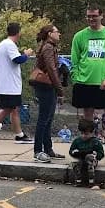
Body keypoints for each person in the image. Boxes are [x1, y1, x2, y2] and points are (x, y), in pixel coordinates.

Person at [71, 5, 105, 157]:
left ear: (101, 16)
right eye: (88, 16)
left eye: (94, 16)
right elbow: (74, 60)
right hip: (84, 82)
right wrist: (76, 78)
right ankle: (90, 143)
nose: (91, 19)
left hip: (104, 82)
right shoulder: (79, 36)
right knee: (88, 112)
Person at [0, 23, 35, 145]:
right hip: (9, 85)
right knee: (7, 109)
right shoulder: (9, 45)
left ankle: (19, 135)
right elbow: (17, 60)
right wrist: (26, 54)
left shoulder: (1, 45)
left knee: (14, 109)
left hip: (7, 84)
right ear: (18, 32)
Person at [29, 25, 65, 162]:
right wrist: (60, 89)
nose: (59, 34)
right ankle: (38, 151)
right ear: (50, 34)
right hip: (46, 86)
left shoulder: (49, 47)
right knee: (44, 119)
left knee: (48, 119)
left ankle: (48, 149)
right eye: (57, 31)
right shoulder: (48, 48)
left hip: (48, 86)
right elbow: (51, 69)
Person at [69, 118, 104, 188]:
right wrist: (74, 152)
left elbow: (101, 153)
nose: (83, 136)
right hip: (81, 159)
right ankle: (78, 181)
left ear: (92, 133)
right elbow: (71, 151)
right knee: (76, 165)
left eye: (86, 134)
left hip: (91, 160)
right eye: (82, 133)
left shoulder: (95, 142)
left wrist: (96, 155)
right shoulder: (77, 141)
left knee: (89, 162)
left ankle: (91, 181)